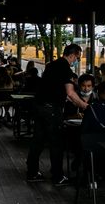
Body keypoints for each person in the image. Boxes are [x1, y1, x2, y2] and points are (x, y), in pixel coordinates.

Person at [27, 43, 88, 186]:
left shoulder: (51, 65)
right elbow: (70, 93)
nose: (76, 61)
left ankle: (32, 172)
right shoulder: (65, 69)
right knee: (57, 142)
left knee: (38, 140)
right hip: (52, 110)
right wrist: (84, 105)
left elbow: (56, 89)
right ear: (72, 55)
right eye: (77, 58)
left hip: (40, 106)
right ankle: (57, 176)